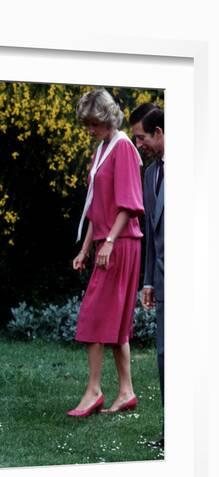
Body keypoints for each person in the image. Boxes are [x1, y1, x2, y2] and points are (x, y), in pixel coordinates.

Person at [68, 88, 144, 417]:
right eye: (87, 124)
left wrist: (109, 241)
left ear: (107, 118)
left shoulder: (123, 147)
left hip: (122, 242)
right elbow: (96, 207)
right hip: (105, 241)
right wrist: (87, 247)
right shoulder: (102, 149)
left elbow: (130, 204)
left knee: (93, 316)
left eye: (94, 123)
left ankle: (94, 391)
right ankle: (126, 391)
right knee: (115, 322)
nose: (90, 129)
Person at [131, 106, 165, 448]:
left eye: (141, 137)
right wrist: (149, 281)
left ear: (159, 133)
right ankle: (174, 432)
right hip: (165, 282)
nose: (137, 143)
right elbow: (152, 233)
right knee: (165, 357)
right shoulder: (151, 174)